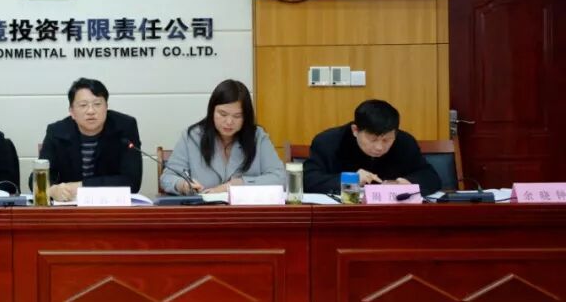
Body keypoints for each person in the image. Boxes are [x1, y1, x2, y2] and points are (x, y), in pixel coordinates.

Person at [160, 79, 284, 195]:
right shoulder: (192, 137)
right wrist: (183, 185)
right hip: (204, 209)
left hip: (245, 210)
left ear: (246, 117)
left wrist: (237, 185)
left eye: (237, 116)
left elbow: (280, 178)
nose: (229, 122)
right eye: (223, 114)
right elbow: (167, 178)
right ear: (212, 111)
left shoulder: (257, 137)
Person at [303, 99, 442, 195]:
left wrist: (407, 183)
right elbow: (308, 180)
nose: (379, 147)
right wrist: (349, 181)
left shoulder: (405, 142)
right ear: (355, 130)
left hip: (393, 215)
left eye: (387, 140)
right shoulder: (329, 142)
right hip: (342, 215)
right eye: (373, 139)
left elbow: (430, 176)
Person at [37, 77, 142, 202]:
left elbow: (132, 182)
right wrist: (52, 189)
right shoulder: (57, 132)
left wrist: (81, 186)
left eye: (97, 104)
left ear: (106, 107)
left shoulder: (125, 127)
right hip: (69, 207)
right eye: (83, 105)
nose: (91, 111)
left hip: (111, 207)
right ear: (72, 112)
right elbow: (37, 177)